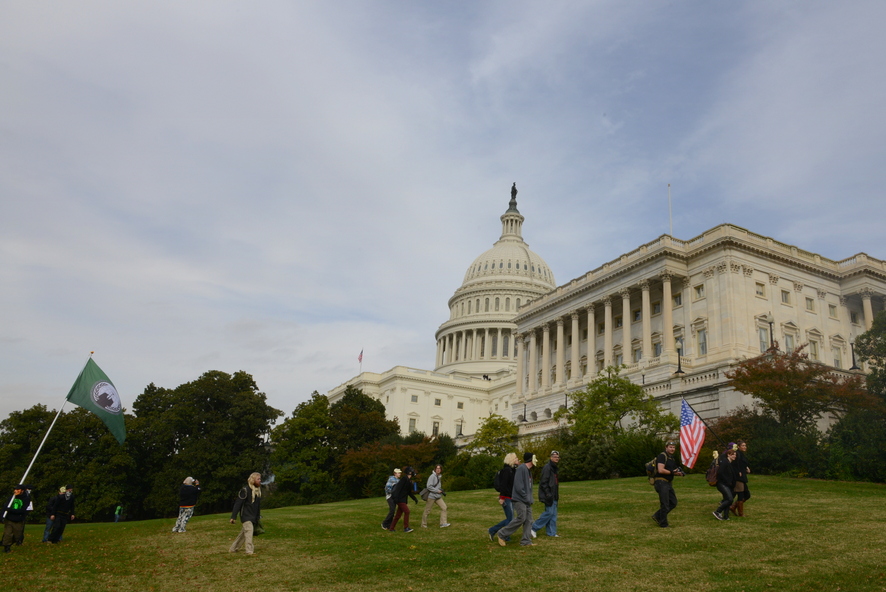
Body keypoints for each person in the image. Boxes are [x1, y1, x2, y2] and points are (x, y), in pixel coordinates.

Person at [496, 453, 536, 547]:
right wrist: (526, 498)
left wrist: (530, 498)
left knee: (529, 520)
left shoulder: (528, 470)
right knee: (521, 518)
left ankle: (525, 541)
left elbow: (528, 487)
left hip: (526, 500)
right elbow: (518, 487)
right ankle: (502, 534)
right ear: (531, 460)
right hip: (519, 499)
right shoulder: (521, 469)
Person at [488, 452, 518, 543]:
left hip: (510, 496)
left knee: (510, 518)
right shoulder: (506, 471)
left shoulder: (512, 470)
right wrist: (502, 497)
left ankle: (504, 535)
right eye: (516, 458)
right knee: (510, 519)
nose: (517, 459)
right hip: (506, 497)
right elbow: (504, 485)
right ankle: (494, 530)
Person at [652, 442, 683, 528]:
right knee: (665, 503)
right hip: (661, 482)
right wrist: (672, 472)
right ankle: (663, 524)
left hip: (668, 483)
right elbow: (660, 470)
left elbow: (672, 471)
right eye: (670, 447)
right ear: (666, 447)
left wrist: (678, 473)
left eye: (673, 447)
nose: (672, 449)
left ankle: (657, 516)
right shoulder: (662, 456)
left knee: (673, 502)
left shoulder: (671, 458)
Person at [229, 472, 262, 555]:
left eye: (260, 479)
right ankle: (249, 551)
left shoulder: (257, 492)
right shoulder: (245, 491)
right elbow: (238, 504)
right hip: (246, 516)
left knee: (244, 534)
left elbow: (257, 506)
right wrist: (233, 517)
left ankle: (233, 548)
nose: (260, 481)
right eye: (258, 479)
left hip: (253, 517)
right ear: (253, 480)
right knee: (249, 531)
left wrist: (258, 517)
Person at [531, 450, 560, 538]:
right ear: (551, 457)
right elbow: (543, 482)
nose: (557, 458)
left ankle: (551, 532)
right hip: (549, 494)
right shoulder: (547, 468)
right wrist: (548, 493)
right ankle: (533, 528)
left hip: (554, 494)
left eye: (558, 457)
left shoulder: (554, 468)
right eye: (555, 457)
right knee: (549, 513)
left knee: (553, 514)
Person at [2, 484, 33, 553]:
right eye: (15, 489)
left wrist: (10, 510)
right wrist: (2, 515)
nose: (16, 491)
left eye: (18, 490)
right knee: (8, 534)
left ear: (22, 491)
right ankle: (6, 547)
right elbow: (5, 507)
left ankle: (11, 542)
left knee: (17, 536)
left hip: (18, 520)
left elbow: (22, 510)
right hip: (9, 519)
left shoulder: (26, 499)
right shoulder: (11, 498)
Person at [387, 466, 418, 533]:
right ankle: (406, 528)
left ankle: (391, 528)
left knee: (398, 515)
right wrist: (396, 499)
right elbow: (398, 489)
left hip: (403, 499)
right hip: (400, 499)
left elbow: (408, 492)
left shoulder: (409, 481)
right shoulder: (404, 479)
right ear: (409, 472)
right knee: (407, 511)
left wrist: (414, 498)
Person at [714, 447, 738, 520]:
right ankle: (718, 511)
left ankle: (726, 516)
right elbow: (720, 472)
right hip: (722, 484)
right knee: (730, 499)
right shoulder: (725, 462)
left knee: (727, 499)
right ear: (728, 455)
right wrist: (727, 481)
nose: (734, 456)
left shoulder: (729, 463)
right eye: (733, 455)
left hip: (726, 484)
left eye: (735, 455)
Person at [731, 440, 751, 517]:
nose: (744, 447)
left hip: (743, 477)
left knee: (747, 495)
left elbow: (743, 463)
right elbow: (734, 464)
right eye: (743, 445)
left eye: (745, 445)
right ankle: (740, 513)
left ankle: (733, 506)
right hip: (738, 478)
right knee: (741, 494)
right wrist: (738, 471)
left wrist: (746, 468)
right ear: (738, 447)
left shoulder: (742, 455)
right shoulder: (737, 454)